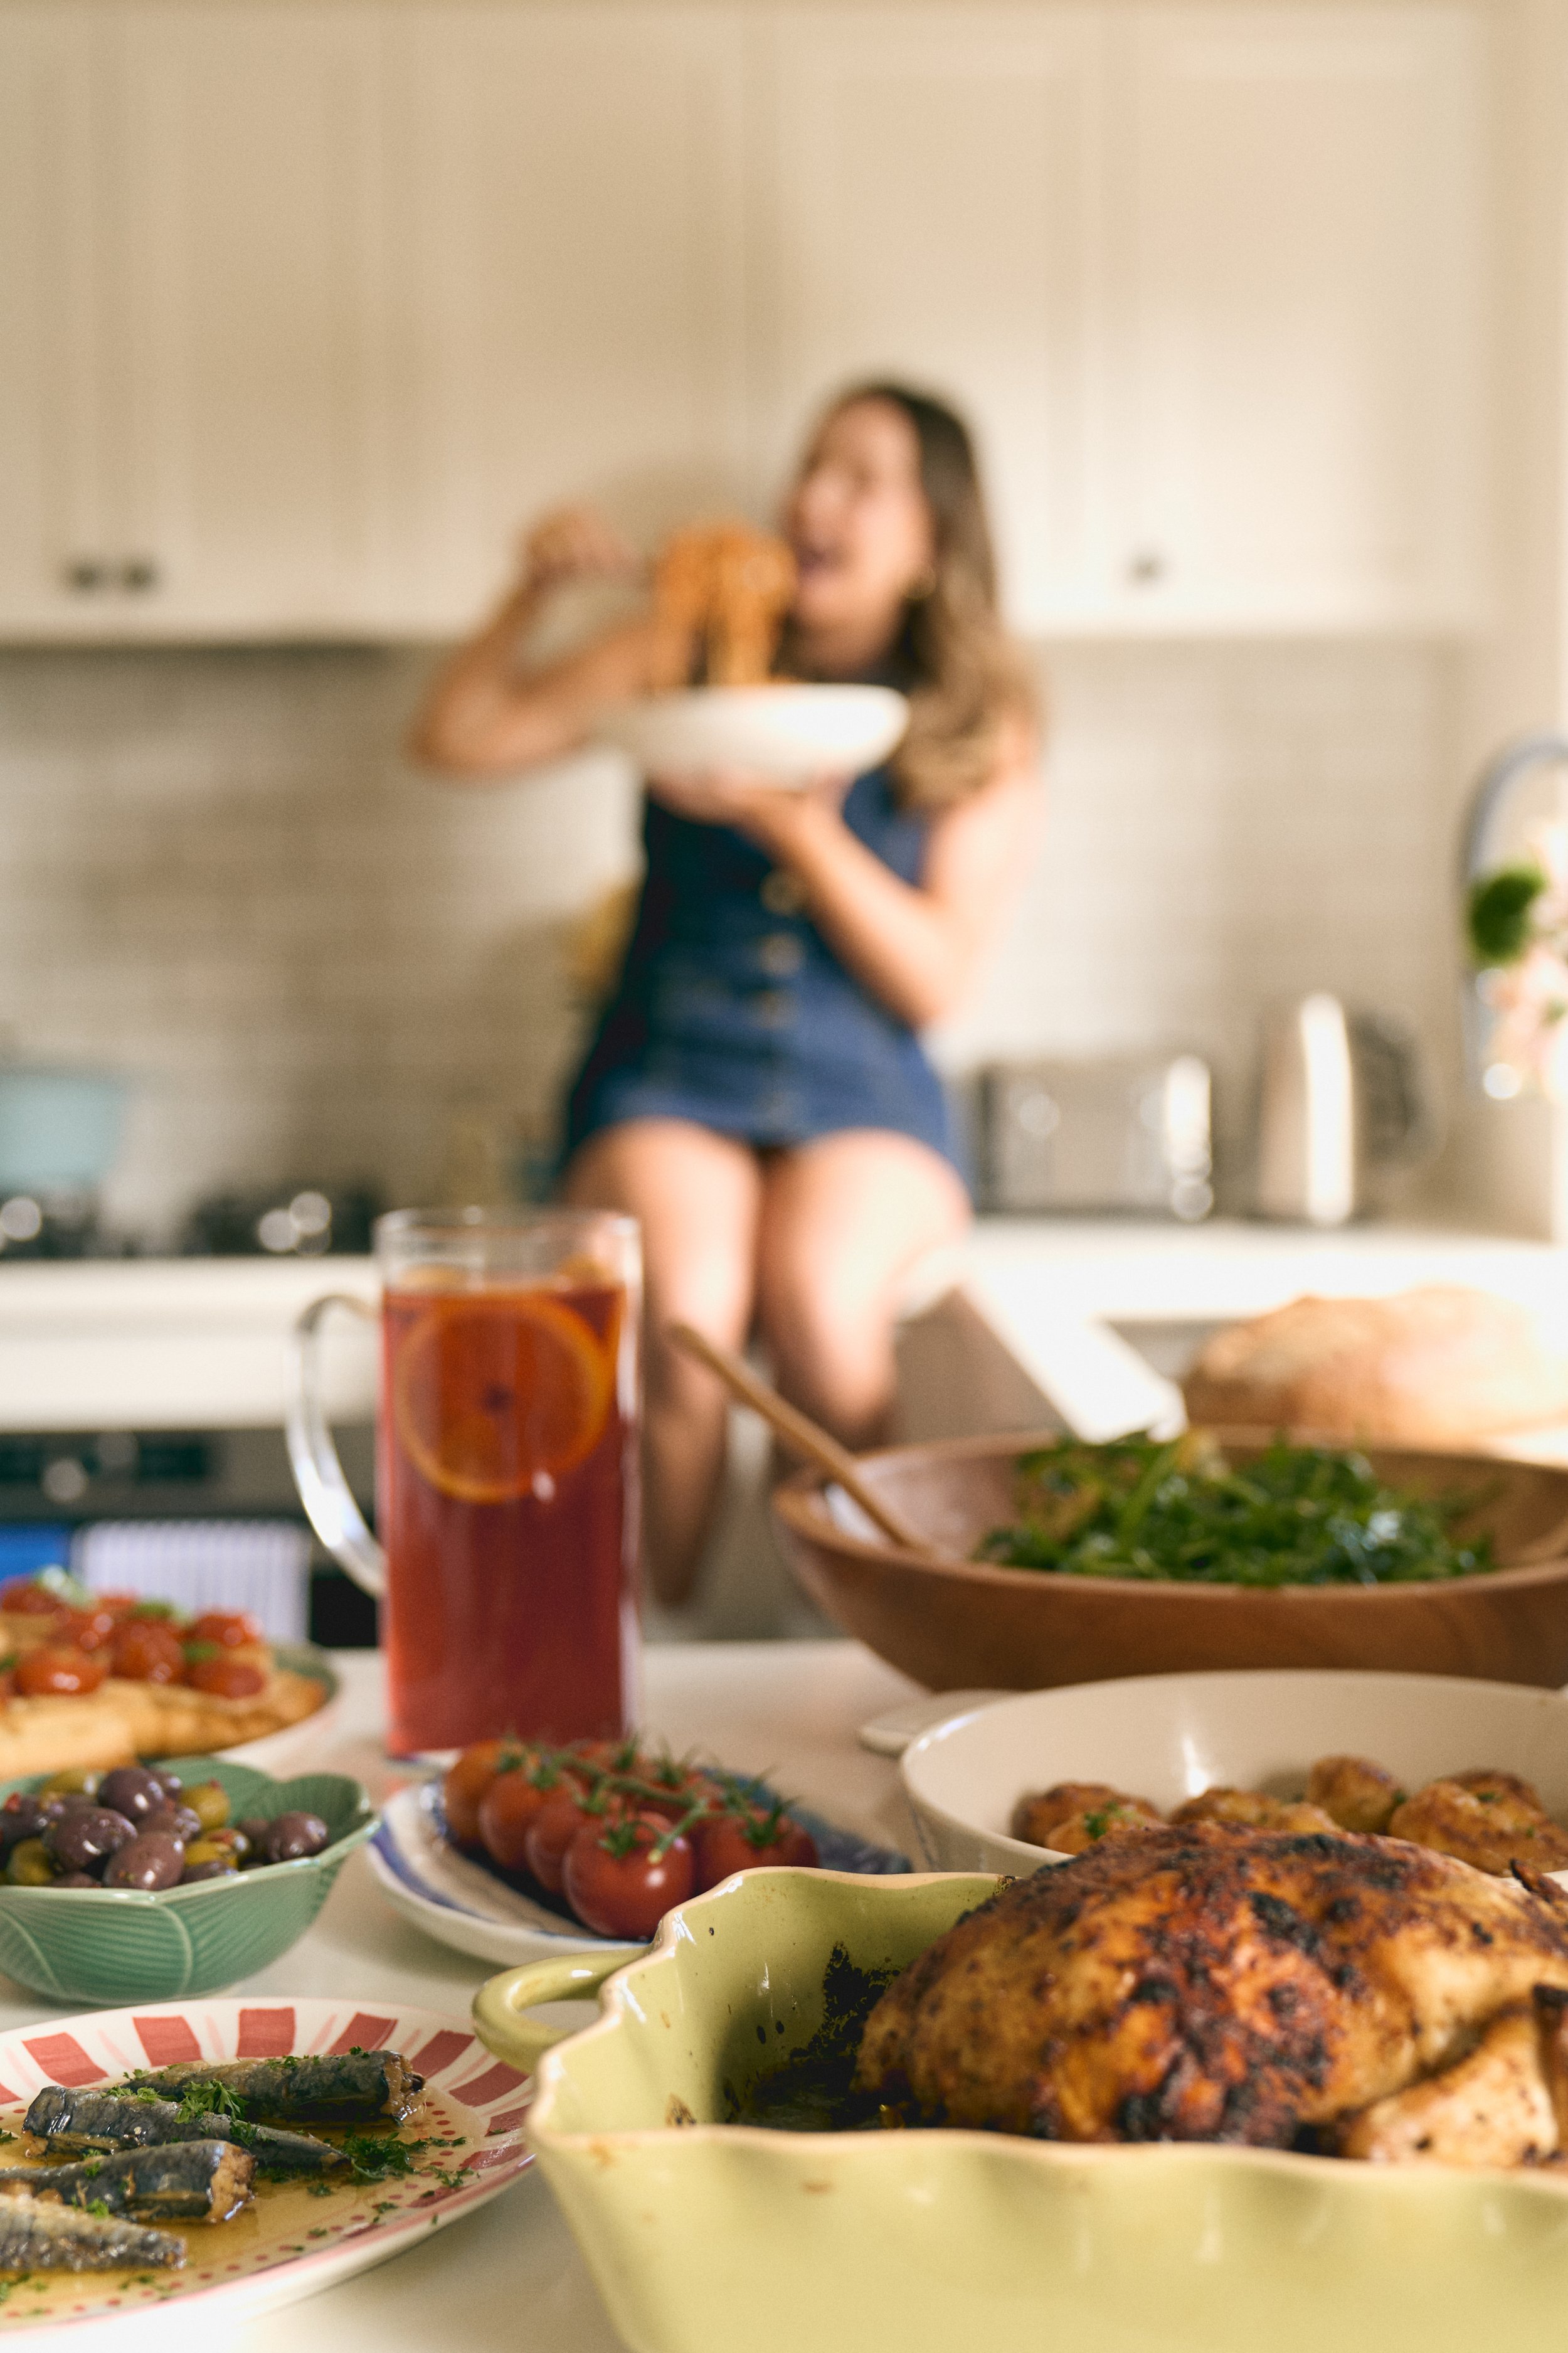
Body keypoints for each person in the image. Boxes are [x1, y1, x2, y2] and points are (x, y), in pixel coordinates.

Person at [409, 383, 1042, 1605]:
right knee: (686, 1321)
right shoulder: (681, 648)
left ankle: (852, 1642)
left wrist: (794, 827)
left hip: (862, 1083)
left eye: (860, 479)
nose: (810, 497)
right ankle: (653, 1661)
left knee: (822, 1305)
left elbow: (934, 979)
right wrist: (532, 596)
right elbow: (459, 737)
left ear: (932, 542)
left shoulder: (977, 718)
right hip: (668, 1069)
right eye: (811, 465)